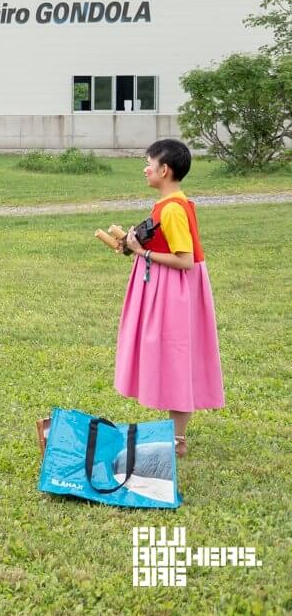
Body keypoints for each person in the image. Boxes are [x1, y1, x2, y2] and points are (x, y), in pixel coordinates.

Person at [114, 139, 224, 458]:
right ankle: (175, 437)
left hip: (176, 290)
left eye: (149, 163)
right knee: (170, 356)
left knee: (177, 356)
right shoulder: (168, 204)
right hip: (166, 286)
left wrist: (143, 251)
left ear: (165, 170)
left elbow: (185, 259)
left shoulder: (174, 208)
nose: (145, 169)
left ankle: (178, 440)